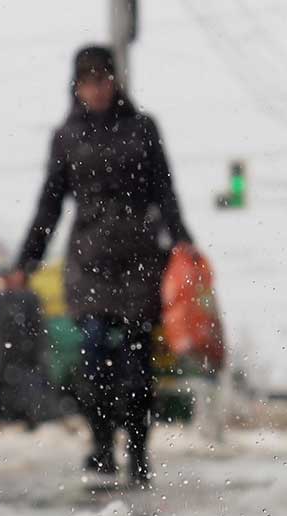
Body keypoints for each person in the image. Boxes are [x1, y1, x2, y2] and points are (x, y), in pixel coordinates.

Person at [12, 44, 194, 485]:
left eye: (103, 79)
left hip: (139, 256)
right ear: (76, 87)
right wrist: (27, 260)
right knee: (92, 355)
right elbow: (50, 204)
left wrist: (183, 242)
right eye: (87, 80)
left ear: (115, 81)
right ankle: (99, 445)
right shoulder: (67, 136)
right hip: (89, 258)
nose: (96, 88)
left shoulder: (143, 129)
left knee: (136, 361)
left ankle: (136, 449)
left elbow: (165, 191)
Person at [0, 281, 50, 432]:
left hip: (24, 352)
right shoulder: (2, 298)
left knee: (27, 388)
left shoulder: (29, 298)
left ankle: (30, 419)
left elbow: (37, 328)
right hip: (5, 351)